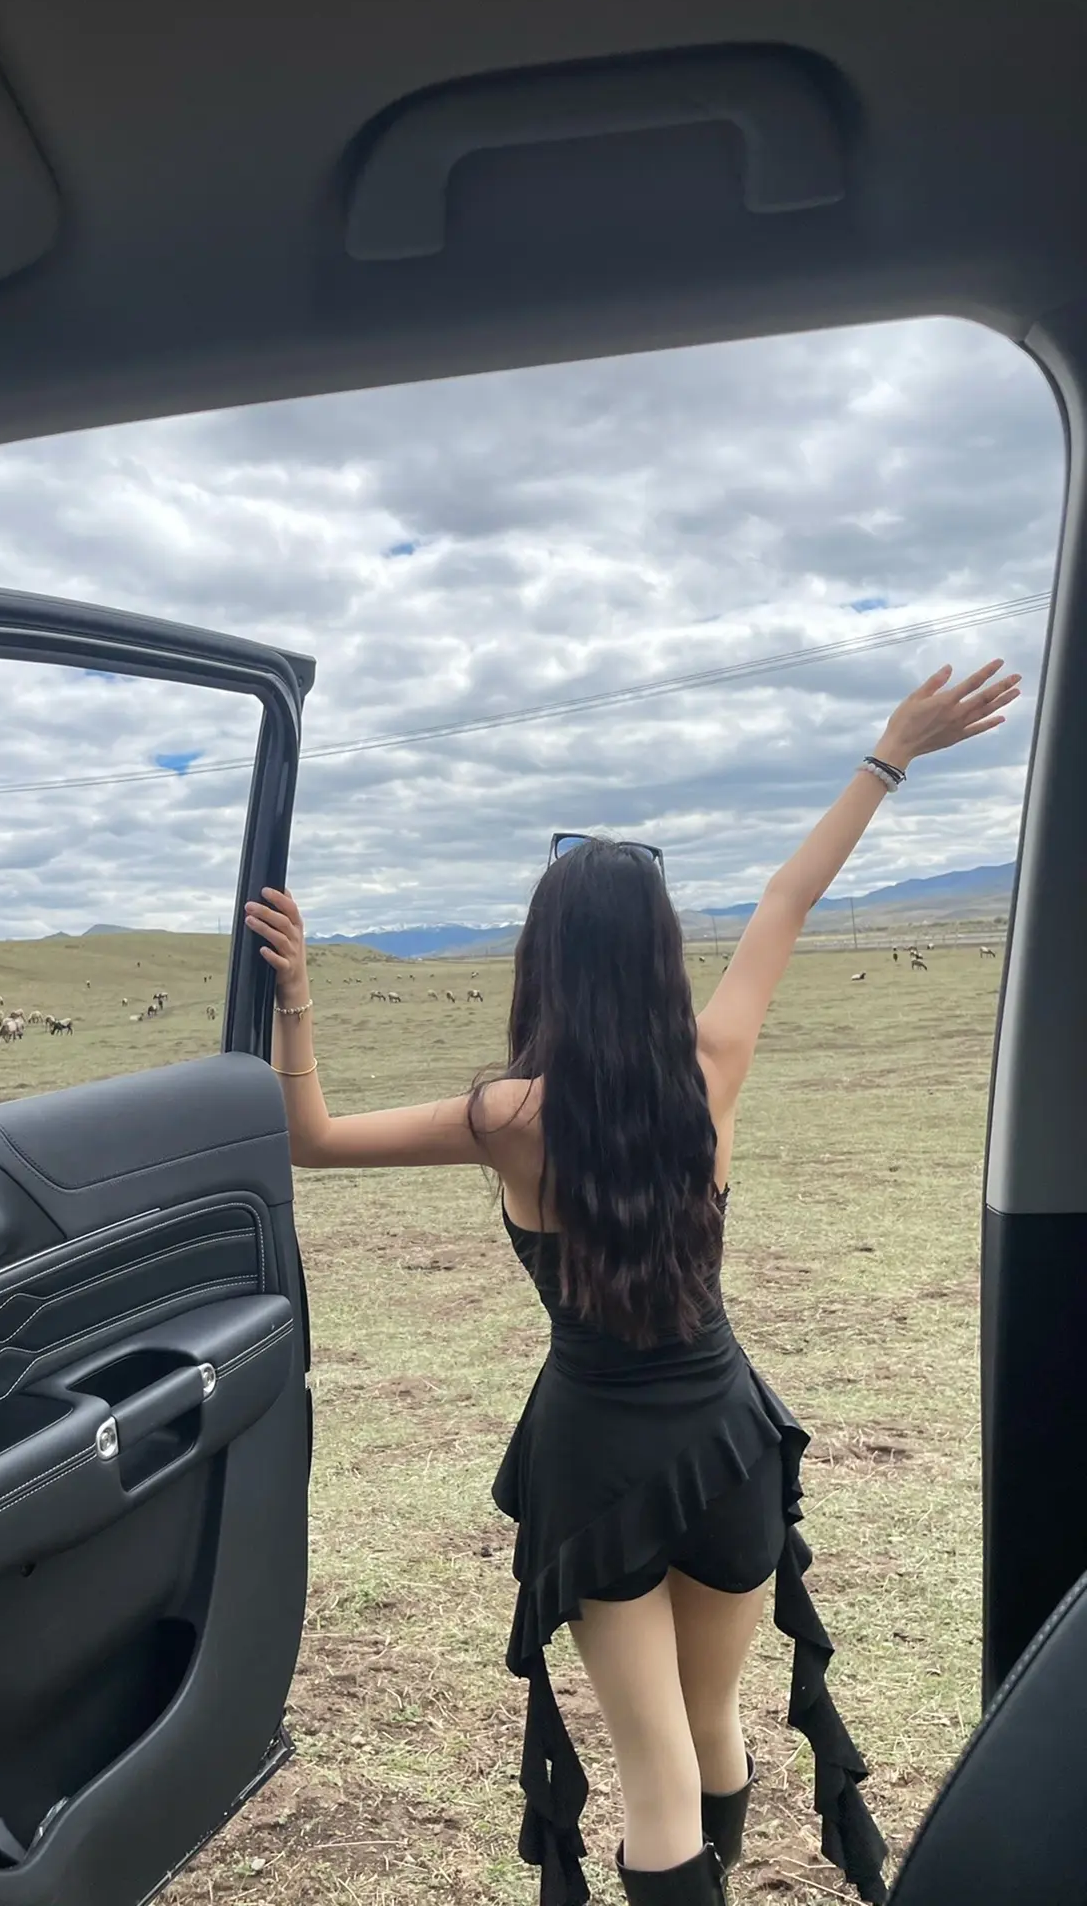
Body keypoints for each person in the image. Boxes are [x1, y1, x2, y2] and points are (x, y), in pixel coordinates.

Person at [244, 659, 1021, 1906]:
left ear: (543, 961)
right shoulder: (712, 1066)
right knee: (713, 1731)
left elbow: (312, 1139)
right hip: (726, 1445)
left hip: (594, 1458)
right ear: (661, 954)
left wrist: (294, 1001)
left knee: (651, 1783)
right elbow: (788, 895)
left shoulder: (508, 1116)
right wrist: (890, 754)